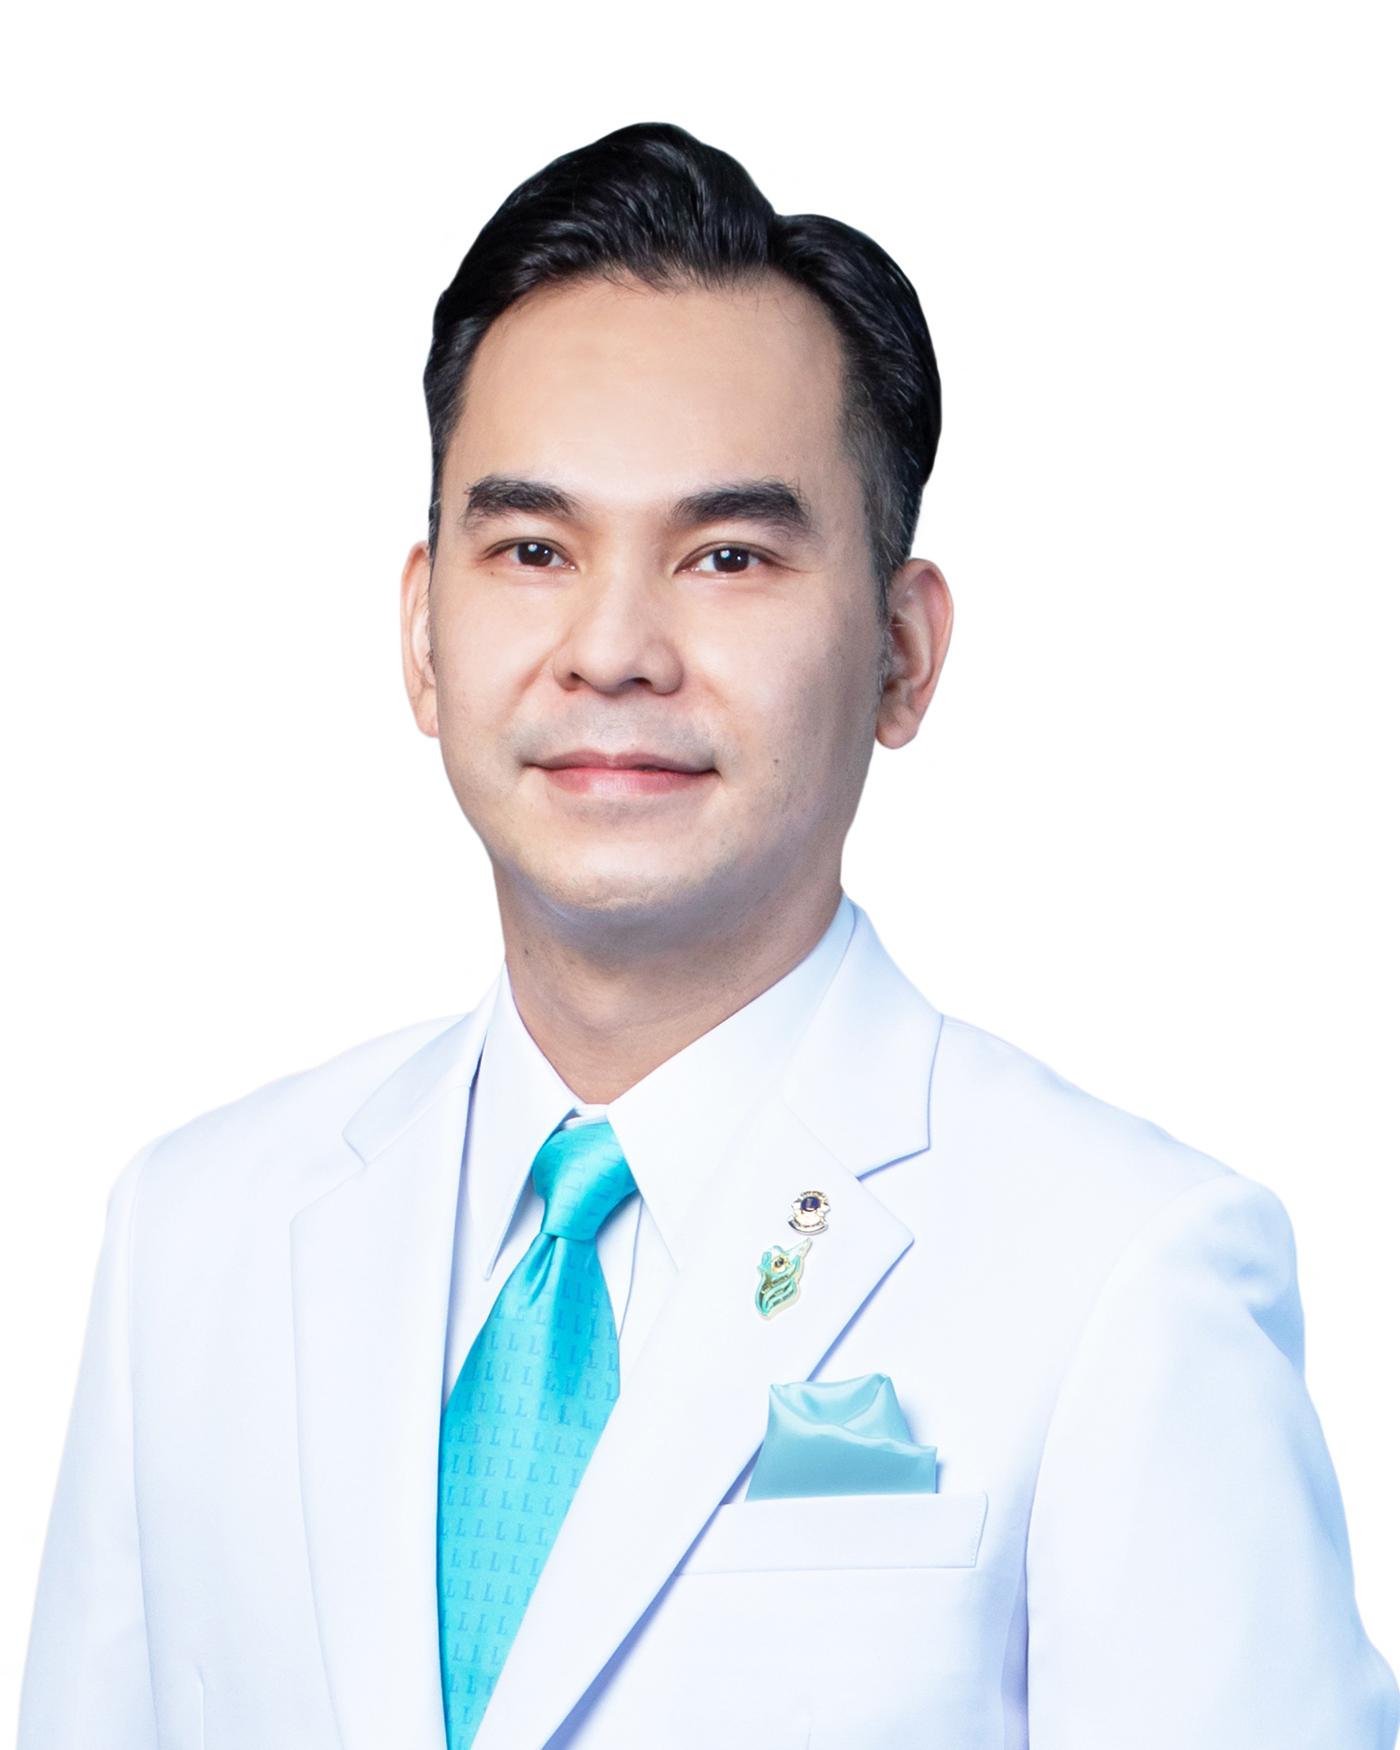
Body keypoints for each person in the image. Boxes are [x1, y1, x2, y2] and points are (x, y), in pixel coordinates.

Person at [18, 122, 1397, 1750]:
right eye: (534, 549)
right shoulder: (192, 1241)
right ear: (422, 633)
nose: (613, 647)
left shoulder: (1127, 1273)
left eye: (727, 555)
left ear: (901, 652)